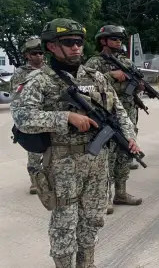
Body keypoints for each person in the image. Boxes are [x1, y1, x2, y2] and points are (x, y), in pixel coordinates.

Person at [10, 18, 141, 267]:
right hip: (63, 164)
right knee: (64, 224)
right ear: (51, 47)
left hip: (97, 163)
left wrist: (130, 137)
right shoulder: (39, 81)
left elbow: (119, 110)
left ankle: (87, 263)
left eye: (79, 42)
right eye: (68, 42)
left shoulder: (94, 77)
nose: (76, 47)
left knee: (93, 218)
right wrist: (65, 117)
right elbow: (22, 118)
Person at [84, 25, 143, 214]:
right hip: (107, 116)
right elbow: (86, 87)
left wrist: (138, 84)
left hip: (128, 114)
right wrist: (110, 76)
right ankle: (106, 197)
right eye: (114, 38)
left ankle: (121, 193)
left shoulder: (127, 62)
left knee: (126, 153)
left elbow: (138, 85)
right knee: (107, 156)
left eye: (120, 39)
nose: (119, 42)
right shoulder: (94, 63)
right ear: (103, 41)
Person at [11, 37, 46, 194]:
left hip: (50, 115)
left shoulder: (49, 69)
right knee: (34, 151)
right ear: (27, 55)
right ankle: (35, 180)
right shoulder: (20, 73)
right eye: (34, 53)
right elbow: (16, 96)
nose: (38, 56)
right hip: (32, 116)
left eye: (41, 53)